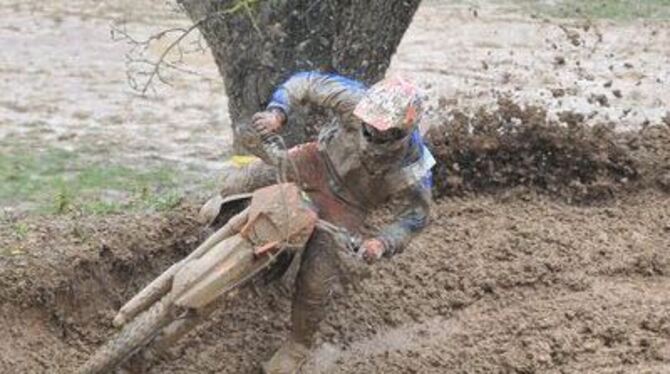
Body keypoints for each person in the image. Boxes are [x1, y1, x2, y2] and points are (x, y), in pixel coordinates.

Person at [210, 71, 434, 373]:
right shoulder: (353, 98)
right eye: (368, 122)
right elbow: (307, 82)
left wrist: (381, 243)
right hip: (317, 161)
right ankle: (213, 215)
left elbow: (416, 216)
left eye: (381, 130)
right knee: (249, 177)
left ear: (401, 131)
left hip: (349, 205)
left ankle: (298, 344)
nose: (371, 130)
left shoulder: (414, 168)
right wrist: (279, 112)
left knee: (317, 279)